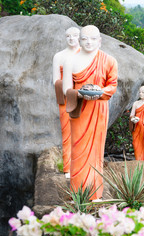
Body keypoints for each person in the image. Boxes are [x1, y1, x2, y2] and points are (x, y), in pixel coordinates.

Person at [63, 25, 118, 200]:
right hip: (79, 109)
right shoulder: (71, 60)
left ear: (100, 41)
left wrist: (99, 92)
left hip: (99, 109)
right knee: (78, 149)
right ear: (80, 40)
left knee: (96, 151)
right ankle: (77, 193)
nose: (89, 42)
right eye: (85, 38)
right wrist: (80, 93)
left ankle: (95, 193)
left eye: (93, 38)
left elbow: (113, 85)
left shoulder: (109, 60)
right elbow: (66, 89)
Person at [52, 27, 80, 178]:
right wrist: (67, 89)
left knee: (82, 131)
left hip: (82, 97)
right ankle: (68, 167)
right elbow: (55, 79)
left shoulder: (85, 54)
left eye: (75, 35)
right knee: (67, 132)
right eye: (68, 36)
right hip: (65, 96)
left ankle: (82, 166)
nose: (71, 38)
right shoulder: (59, 56)